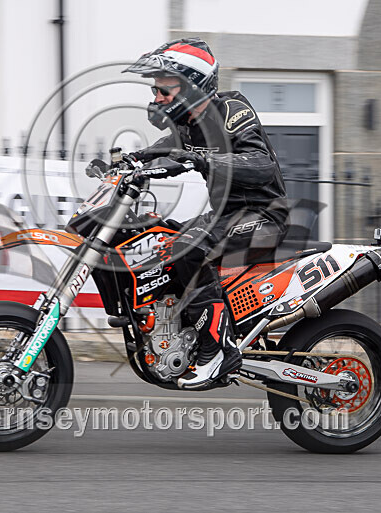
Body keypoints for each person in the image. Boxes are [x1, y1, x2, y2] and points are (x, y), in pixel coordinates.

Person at [123, 38, 289, 389]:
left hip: (262, 216)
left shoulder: (232, 110)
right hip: (226, 217)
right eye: (156, 91)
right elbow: (166, 151)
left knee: (187, 245)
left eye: (164, 91)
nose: (156, 99)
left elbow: (260, 164)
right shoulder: (187, 128)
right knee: (161, 240)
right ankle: (182, 332)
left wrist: (200, 159)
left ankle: (217, 350)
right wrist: (132, 162)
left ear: (190, 86)